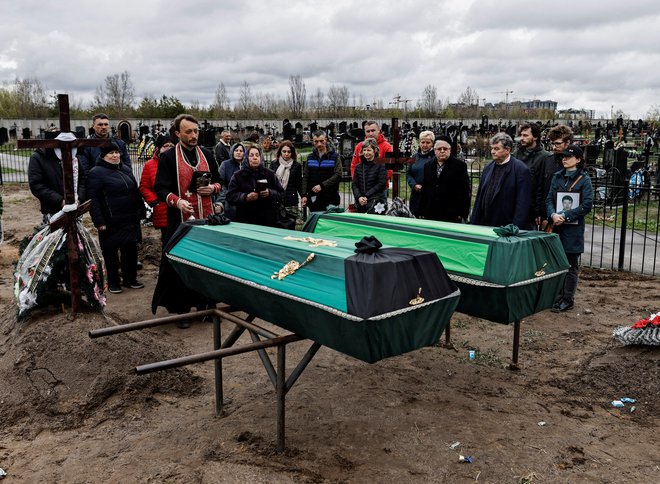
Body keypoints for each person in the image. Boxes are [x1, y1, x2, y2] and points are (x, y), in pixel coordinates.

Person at [152, 114, 221, 327]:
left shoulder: (207, 154)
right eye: (188, 132)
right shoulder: (169, 157)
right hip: (180, 220)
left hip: (206, 218)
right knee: (181, 264)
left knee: (206, 263)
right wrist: (177, 201)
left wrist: (213, 189)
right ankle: (181, 310)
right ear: (177, 133)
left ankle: (206, 306)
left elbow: (219, 181)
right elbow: (160, 188)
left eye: (196, 131)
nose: (193, 135)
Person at [86, 142, 143, 294]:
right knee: (111, 253)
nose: (115, 155)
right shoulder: (96, 172)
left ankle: (130, 279)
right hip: (110, 220)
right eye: (110, 153)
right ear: (103, 156)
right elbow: (94, 199)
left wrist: (141, 210)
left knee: (130, 250)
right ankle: (113, 282)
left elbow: (134, 192)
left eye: (117, 152)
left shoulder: (125, 169)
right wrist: (99, 221)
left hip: (129, 218)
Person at [545, 145, 593, 312]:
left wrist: (565, 216)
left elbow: (587, 205)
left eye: (568, 157)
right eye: (563, 157)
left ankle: (567, 299)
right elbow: (549, 200)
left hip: (573, 230)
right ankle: (557, 297)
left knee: (571, 265)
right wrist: (552, 215)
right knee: (557, 263)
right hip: (556, 228)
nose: (564, 159)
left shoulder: (584, 180)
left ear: (578, 160)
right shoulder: (557, 177)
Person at [470, 132, 532, 229]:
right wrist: (474, 223)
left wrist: (514, 228)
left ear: (507, 150)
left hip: (506, 227)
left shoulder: (520, 170)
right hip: (485, 225)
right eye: (492, 148)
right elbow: (479, 198)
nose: (492, 152)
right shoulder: (488, 167)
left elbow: (522, 204)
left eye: (496, 149)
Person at [28, 130, 86, 224]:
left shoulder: (74, 157)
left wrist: (79, 199)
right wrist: (60, 201)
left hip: (75, 208)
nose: (67, 149)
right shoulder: (38, 158)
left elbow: (82, 179)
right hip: (52, 210)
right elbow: (36, 184)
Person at [226, 145, 283, 226]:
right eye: (251, 155)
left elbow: (280, 193)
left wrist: (270, 193)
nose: (255, 158)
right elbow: (230, 196)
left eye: (257, 155)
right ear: (246, 158)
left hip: (267, 221)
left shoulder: (269, 174)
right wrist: (245, 197)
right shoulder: (238, 176)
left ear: (260, 158)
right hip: (245, 221)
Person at [418, 137, 471, 223]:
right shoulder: (428, 166)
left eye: (445, 149)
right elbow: (425, 189)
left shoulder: (459, 166)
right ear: (434, 151)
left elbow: (465, 191)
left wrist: (463, 213)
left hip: (451, 213)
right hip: (431, 212)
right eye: (439, 149)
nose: (442, 151)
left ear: (450, 150)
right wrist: (421, 210)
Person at [534, 125, 573, 228]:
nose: (554, 147)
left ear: (567, 143)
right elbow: (540, 187)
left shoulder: (574, 162)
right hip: (547, 214)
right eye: (553, 143)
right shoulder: (547, 160)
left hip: (567, 213)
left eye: (558, 143)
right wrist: (538, 212)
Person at [139, 135, 175, 245]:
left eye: (171, 146)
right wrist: (154, 201)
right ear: (158, 148)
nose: (169, 148)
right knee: (167, 241)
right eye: (165, 146)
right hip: (162, 207)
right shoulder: (150, 165)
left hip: (180, 208)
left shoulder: (179, 162)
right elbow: (144, 187)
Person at [301, 130, 342, 213]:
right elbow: (305, 176)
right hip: (314, 196)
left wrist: (322, 185)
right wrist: (304, 195)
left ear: (326, 140)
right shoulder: (310, 157)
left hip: (330, 196)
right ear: (312, 141)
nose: (319, 144)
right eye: (316, 141)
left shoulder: (335, 156)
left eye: (321, 141)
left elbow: (338, 175)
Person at [352, 139, 388, 214]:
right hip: (361, 202)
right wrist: (359, 197)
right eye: (364, 150)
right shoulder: (359, 167)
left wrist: (366, 196)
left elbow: (381, 184)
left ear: (374, 150)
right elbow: (355, 184)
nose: (366, 153)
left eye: (369, 150)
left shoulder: (381, 165)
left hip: (375, 201)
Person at [269, 140, 302, 221]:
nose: (286, 154)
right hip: (276, 200)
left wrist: (303, 196)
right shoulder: (274, 164)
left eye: (289, 152)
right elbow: (270, 182)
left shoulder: (296, 166)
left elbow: (299, 184)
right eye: (284, 151)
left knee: (291, 225)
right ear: (280, 152)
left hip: (291, 200)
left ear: (292, 153)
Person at [406, 130, 435, 216]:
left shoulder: (435, 158)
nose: (425, 145)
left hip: (430, 196)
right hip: (416, 194)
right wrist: (414, 185)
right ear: (419, 143)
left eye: (428, 142)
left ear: (432, 143)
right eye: (422, 142)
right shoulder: (414, 157)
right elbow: (409, 173)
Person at [218, 142, 245, 220]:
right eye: (236, 150)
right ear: (232, 151)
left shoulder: (246, 165)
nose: (238, 152)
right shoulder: (225, 164)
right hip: (230, 201)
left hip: (244, 200)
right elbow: (221, 183)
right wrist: (221, 201)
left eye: (241, 151)